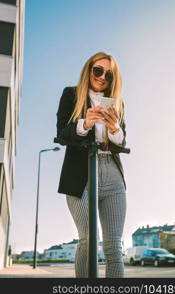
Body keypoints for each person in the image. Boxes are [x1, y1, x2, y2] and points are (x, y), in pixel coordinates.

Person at [56, 52, 127, 278]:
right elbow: (61, 133)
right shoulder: (71, 94)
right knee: (88, 239)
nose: (102, 76)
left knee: (114, 246)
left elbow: (122, 142)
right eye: (98, 70)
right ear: (89, 70)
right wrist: (85, 123)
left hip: (112, 173)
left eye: (109, 74)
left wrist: (115, 128)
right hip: (80, 171)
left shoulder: (117, 103)